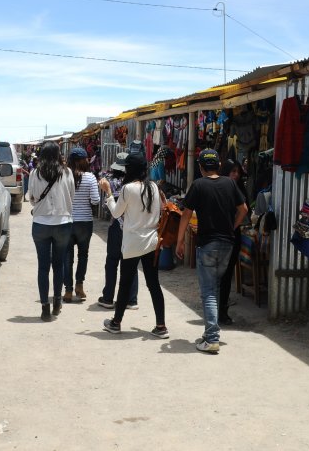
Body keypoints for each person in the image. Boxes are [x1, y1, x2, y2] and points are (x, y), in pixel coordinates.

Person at [175, 148, 248, 354]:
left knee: (208, 292)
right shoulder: (230, 183)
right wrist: (232, 226)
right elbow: (243, 209)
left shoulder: (198, 185)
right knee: (214, 288)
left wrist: (180, 242)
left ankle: (212, 337)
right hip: (227, 244)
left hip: (207, 243)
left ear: (200, 167)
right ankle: (209, 335)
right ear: (218, 165)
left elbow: (186, 215)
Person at [98, 153, 167, 337]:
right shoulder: (153, 186)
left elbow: (115, 213)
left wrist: (108, 193)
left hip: (132, 243)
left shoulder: (128, 189)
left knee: (125, 284)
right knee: (154, 284)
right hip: (151, 242)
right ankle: (161, 326)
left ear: (129, 169)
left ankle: (116, 323)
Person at [26, 141, 74, 322]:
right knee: (59, 264)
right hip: (63, 222)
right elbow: (72, 196)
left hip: (40, 224)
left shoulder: (34, 173)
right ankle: (57, 303)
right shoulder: (67, 172)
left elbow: (31, 198)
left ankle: (45, 307)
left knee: (43, 266)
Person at [97, 153, 139, 309]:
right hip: (132, 226)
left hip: (116, 226)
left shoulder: (111, 183)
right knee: (131, 262)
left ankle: (108, 297)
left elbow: (105, 206)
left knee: (112, 262)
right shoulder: (136, 185)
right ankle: (132, 299)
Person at [64, 146, 100, 303]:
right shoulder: (90, 177)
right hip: (85, 222)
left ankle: (68, 291)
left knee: (67, 257)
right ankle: (79, 285)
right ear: (83, 160)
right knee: (83, 255)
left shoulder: (64, 176)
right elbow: (96, 200)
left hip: (67, 221)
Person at [218, 158, 246, 325]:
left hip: (233, 236)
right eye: (232, 171)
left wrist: (233, 226)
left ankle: (223, 311)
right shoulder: (221, 187)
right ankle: (216, 309)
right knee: (217, 276)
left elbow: (244, 211)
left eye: (237, 172)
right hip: (221, 235)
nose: (235, 175)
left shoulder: (240, 188)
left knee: (227, 275)